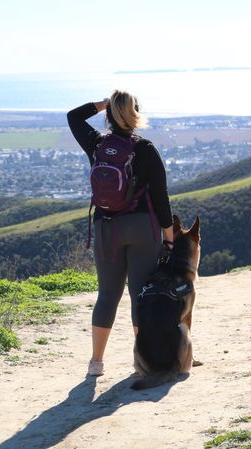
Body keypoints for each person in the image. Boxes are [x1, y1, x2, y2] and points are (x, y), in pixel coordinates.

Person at [67, 90, 174, 376]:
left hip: (106, 228)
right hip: (142, 228)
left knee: (107, 295)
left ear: (110, 114)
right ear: (136, 113)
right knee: (140, 295)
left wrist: (104, 104)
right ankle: (142, 360)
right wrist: (169, 236)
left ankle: (96, 363)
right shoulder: (146, 149)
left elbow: (73, 116)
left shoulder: (96, 144)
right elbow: (161, 197)